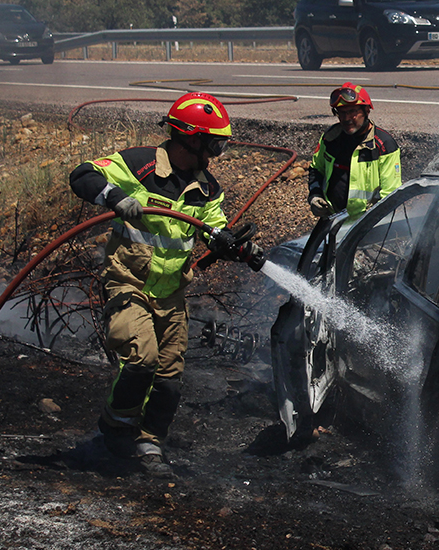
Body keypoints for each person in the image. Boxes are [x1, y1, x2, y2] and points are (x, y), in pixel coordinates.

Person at [69, 92, 263, 478]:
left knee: (169, 378)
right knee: (141, 359)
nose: (217, 153)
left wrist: (234, 246)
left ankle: (149, 442)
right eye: (214, 144)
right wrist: (115, 197)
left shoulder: (207, 188)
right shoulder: (138, 165)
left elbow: (213, 227)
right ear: (190, 138)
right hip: (129, 282)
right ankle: (116, 427)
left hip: (172, 293)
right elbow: (82, 175)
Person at [308, 82, 402, 220]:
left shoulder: (384, 145)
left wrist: (371, 225)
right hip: (332, 219)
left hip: (366, 224)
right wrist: (315, 195)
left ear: (366, 111)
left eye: (352, 112)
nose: (346, 119)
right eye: (341, 112)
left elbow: (390, 194)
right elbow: (316, 169)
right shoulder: (330, 138)